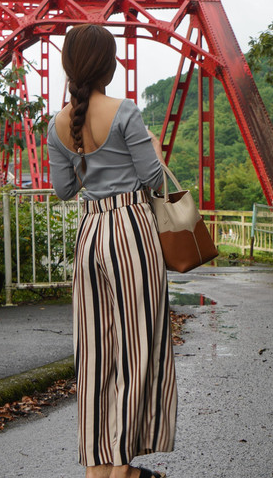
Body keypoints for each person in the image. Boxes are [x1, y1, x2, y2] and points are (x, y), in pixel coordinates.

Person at [47, 24, 176, 478]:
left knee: (96, 352)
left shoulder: (59, 123)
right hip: (131, 232)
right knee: (138, 347)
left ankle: (96, 466)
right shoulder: (125, 112)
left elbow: (65, 189)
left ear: (68, 65)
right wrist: (153, 151)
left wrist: (88, 162)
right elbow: (154, 180)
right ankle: (123, 467)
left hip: (90, 233)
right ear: (106, 64)